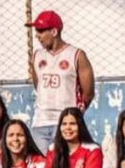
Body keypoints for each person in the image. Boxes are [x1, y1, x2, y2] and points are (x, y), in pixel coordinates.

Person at [26, 10, 95, 152]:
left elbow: (88, 93)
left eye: (40, 30)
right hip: (40, 122)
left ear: (54, 31)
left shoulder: (76, 55)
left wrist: (74, 116)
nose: (37, 35)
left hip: (64, 124)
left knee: (64, 167)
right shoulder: (37, 56)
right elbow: (38, 86)